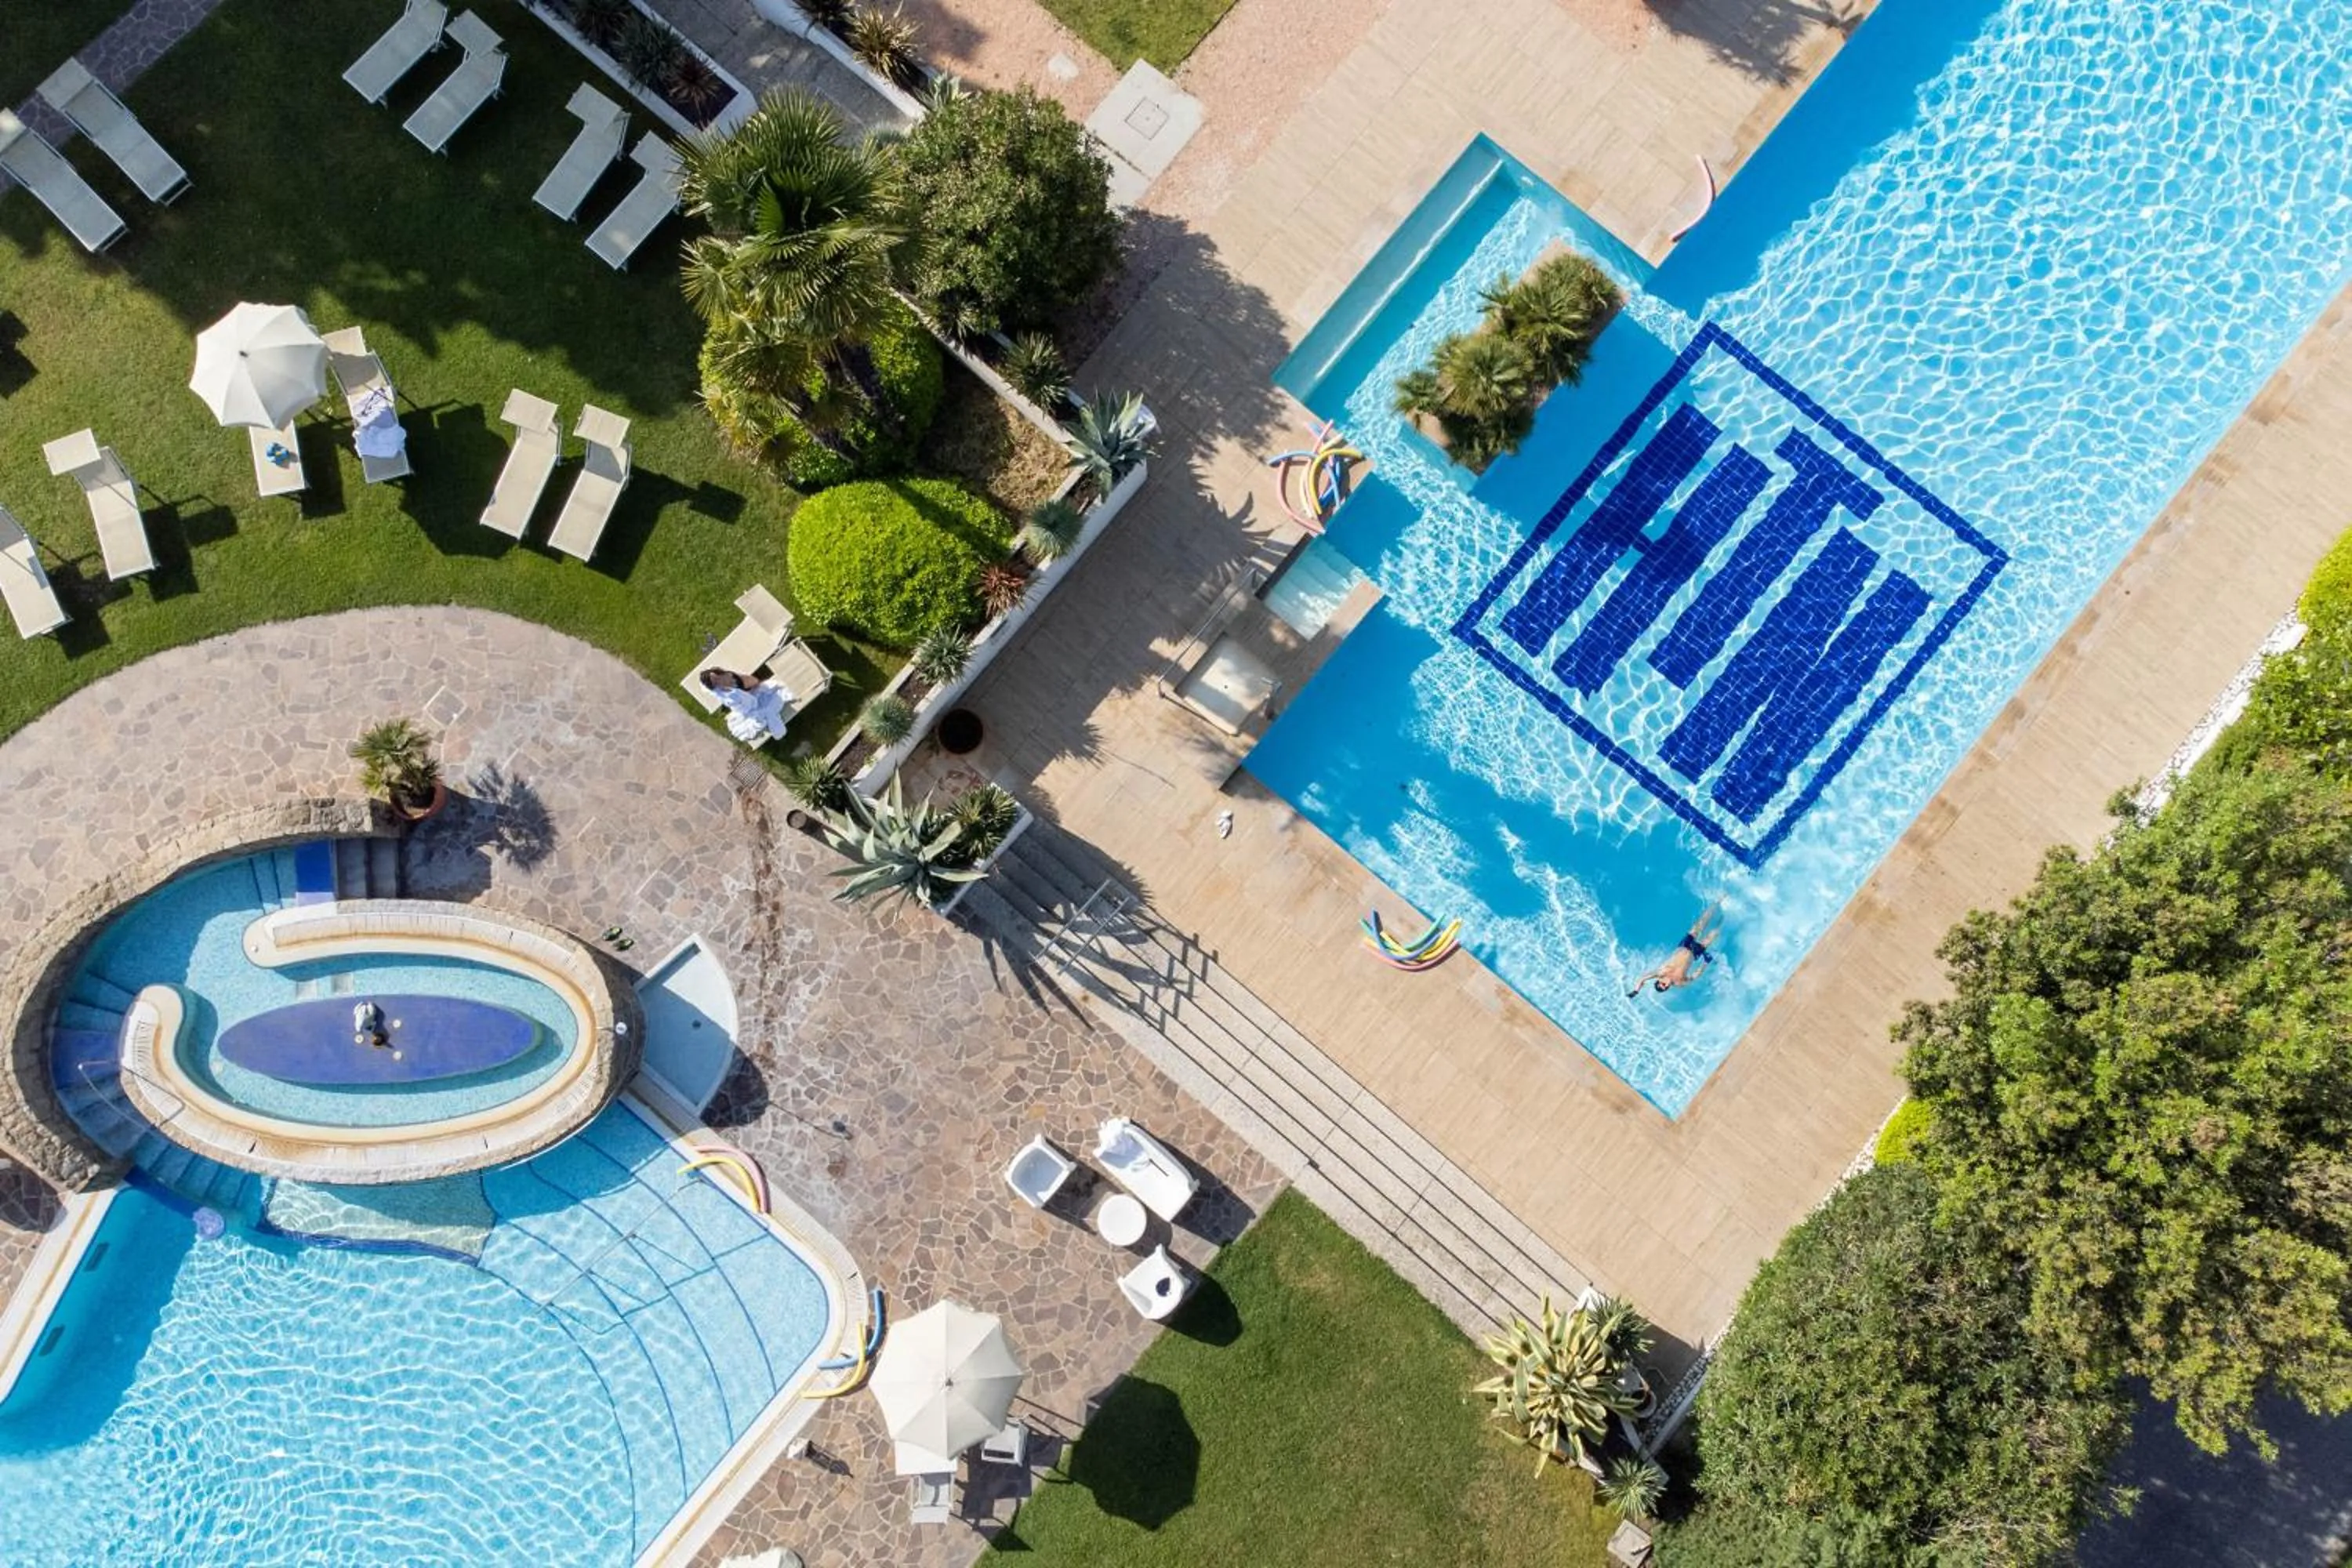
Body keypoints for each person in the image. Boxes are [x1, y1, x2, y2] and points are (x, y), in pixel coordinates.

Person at [1628, 901, 1725, 997]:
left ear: (1658, 981)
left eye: (1661, 985)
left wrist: (1636, 991)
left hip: (1684, 946)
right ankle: (1724, 917)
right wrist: (1705, 963)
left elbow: (1642, 979)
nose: (1664, 986)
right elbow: (1694, 977)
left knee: (1701, 923)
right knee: (1714, 933)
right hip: (1696, 952)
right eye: (1664, 988)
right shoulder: (1679, 983)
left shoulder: (1660, 973)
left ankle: (1718, 902)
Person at [701, 666, 791, 743]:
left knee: (767, 707)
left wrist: (748, 694)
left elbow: (755, 682)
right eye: (716, 682)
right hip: (744, 709)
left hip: (753, 695)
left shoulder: (735, 679)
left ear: (719, 673)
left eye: (717, 677)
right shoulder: (720, 693)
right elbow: (708, 689)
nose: (719, 681)